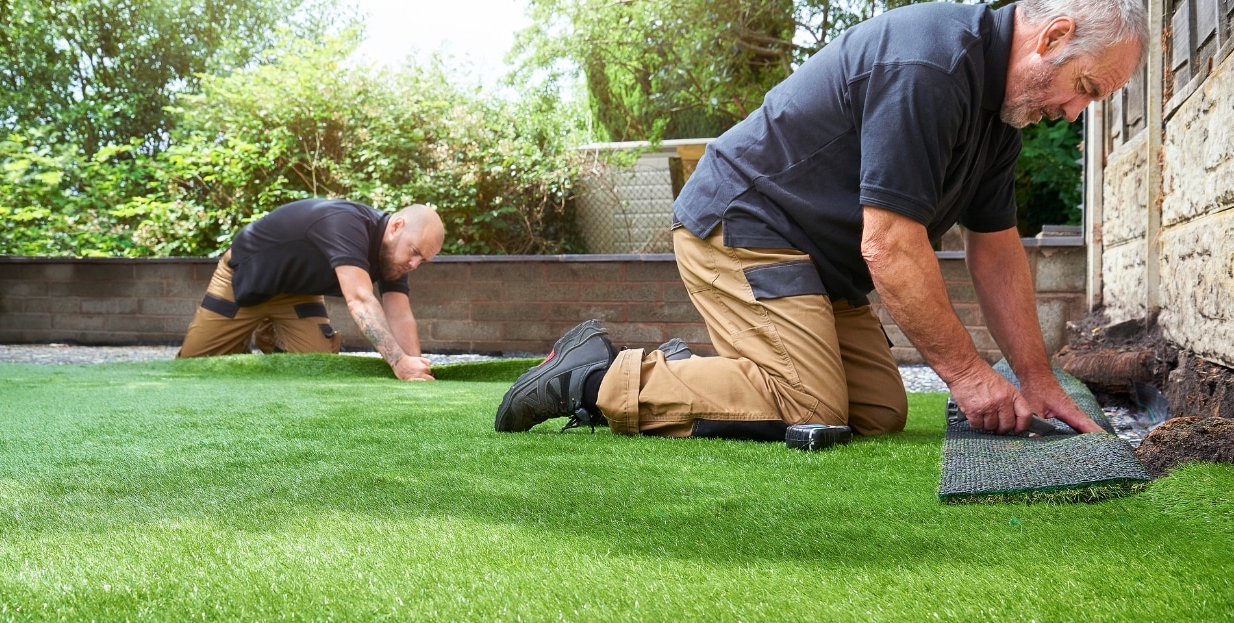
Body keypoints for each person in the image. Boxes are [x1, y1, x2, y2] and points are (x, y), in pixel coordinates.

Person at [495, 0, 1147, 438]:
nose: (1073, 112)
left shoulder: (1002, 117)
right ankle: (590, 376)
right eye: (1086, 89)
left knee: (877, 411)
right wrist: (970, 376)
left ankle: (682, 369)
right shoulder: (932, 65)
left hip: (816, 266)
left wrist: (1035, 379)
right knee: (809, 402)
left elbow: (996, 250)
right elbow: (890, 246)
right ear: (1053, 36)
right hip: (744, 226)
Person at [178, 199, 444, 381]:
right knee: (193, 367)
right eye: (415, 252)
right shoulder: (348, 224)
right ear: (397, 226)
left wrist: (415, 367)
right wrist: (398, 362)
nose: (414, 264)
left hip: (298, 292)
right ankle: (257, 328)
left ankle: (269, 334)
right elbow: (360, 300)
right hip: (246, 278)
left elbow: (399, 313)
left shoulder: (396, 260)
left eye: (423, 260)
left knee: (319, 366)